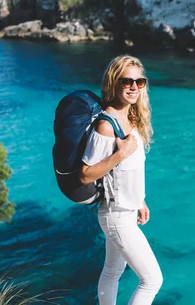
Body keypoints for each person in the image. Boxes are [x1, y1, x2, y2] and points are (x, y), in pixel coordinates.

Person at [80, 55, 163, 304]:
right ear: (113, 82)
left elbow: (131, 171)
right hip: (117, 217)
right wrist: (120, 154)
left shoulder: (132, 119)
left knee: (112, 272)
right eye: (127, 81)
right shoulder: (106, 125)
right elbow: (85, 174)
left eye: (140, 81)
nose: (134, 87)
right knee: (152, 280)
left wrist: (141, 200)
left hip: (126, 211)